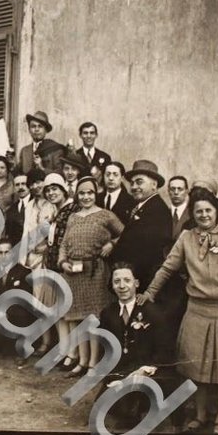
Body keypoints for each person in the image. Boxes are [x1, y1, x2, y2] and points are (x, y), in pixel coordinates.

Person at [139, 188, 218, 434]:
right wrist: (149, 293)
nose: (203, 215)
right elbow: (167, 268)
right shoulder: (186, 238)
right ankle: (201, 416)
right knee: (196, 366)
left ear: (217, 212)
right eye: (198, 211)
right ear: (192, 214)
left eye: (208, 210)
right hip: (197, 311)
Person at [57, 176, 124, 377]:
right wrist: (63, 262)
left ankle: (94, 362)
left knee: (93, 318)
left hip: (95, 271)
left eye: (90, 193)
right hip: (73, 273)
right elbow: (63, 244)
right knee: (76, 319)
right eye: (82, 193)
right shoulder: (73, 217)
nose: (86, 197)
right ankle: (82, 360)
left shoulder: (106, 215)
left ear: (96, 194)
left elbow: (126, 233)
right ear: (77, 195)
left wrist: (112, 244)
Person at [97, 262, 176, 428]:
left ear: (137, 283)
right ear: (111, 285)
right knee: (104, 404)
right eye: (117, 281)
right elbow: (105, 351)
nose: (122, 286)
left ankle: (142, 407)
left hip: (148, 370)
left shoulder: (153, 312)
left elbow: (165, 350)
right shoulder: (108, 313)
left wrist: (144, 369)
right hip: (121, 370)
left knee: (131, 408)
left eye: (127, 280)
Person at [111, 160, 172, 292]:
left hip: (141, 281)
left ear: (154, 185)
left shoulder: (157, 210)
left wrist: (131, 277)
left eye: (139, 182)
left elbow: (147, 252)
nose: (134, 187)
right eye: (132, 183)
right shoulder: (141, 207)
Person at [38, 173, 74, 355]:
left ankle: (69, 352)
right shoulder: (57, 211)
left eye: (55, 189)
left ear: (63, 190)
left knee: (67, 312)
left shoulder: (71, 209)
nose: (52, 193)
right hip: (53, 265)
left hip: (65, 266)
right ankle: (63, 350)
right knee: (58, 310)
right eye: (48, 190)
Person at [4, 174, 30, 246]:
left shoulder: (36, 204)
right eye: (17, 185)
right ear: (14, 188)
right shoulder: (11, 210)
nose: (20, 187)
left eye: (23, 184)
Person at [167, 175, 191, 240]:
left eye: (180, 189)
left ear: (187, 191)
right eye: (172, 189)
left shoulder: (192, 214)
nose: (176, 192)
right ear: (168, 191)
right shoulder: (163, 213)